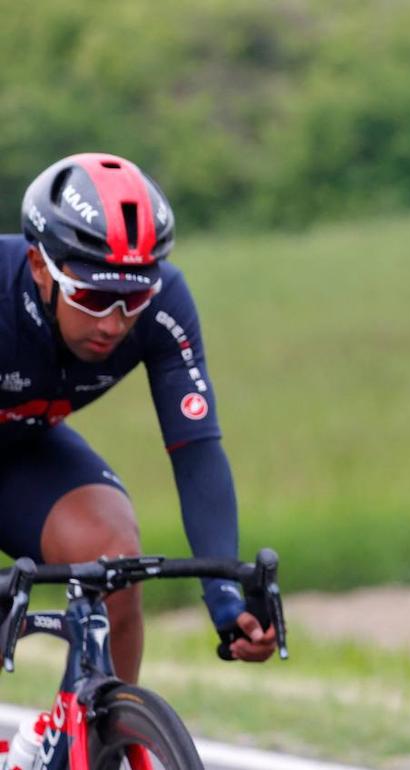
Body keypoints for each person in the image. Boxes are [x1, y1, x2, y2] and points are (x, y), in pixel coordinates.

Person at [1, 152, 276, 680]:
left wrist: (225, 597)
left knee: (114, 566)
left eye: (134, 297)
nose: (114, 321)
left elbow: (196, 451)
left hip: (22, 450)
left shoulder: (165, 306)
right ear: (39, 267)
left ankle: (106, 724)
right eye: (94, 296)